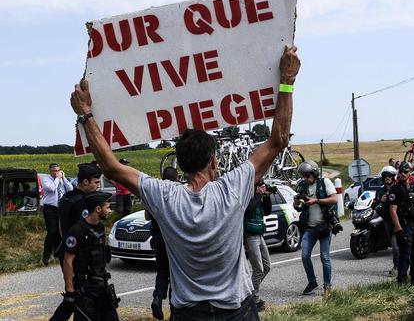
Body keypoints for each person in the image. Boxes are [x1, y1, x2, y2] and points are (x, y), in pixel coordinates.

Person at [70, 45, 300, 320]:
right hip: (236, 310)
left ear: (179, 164)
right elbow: (279, 139)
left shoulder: (164, 197)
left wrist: (85, 113)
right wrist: (286, 82)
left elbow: (110, 166)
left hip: (189, 313)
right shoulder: (233, 188)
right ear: (214, 162)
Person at [50, 163, 103, 321]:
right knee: (76, 296)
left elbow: (61, 224)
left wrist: (66, 242)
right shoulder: (82, 202)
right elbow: (83, 229)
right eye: (96, 182)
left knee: (74, 295)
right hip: (77, 257)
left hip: (68, 250)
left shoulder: (67, 197)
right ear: (85, 182)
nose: (98, 186)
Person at [61, 191, 119, 321]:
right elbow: (67, 260)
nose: (110, 211)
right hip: (85, 289)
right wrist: (70, 290)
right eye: (107, 207)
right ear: (98, 209)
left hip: (102, 286)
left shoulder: (100, 227)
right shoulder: (77, 230)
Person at [295, 159, 338, 296]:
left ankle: (327, 286)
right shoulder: (302, 186)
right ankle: (312, 282)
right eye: (303, 176)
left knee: (324, 257)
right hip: (309, 227)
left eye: (307, 176)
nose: (305, 178)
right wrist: (297, 203)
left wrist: (316, 201)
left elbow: (334, 199)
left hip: (324, 225)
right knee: (305, 256)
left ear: (314, 173)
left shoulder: (324, 182)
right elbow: (296, 205)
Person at [147, 166, 177, 320]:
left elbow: (146, 216)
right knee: (175, 274)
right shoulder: (177, 193)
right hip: (172, 239)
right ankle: (173, 310)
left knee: (162, 271)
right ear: (176, 178)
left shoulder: (154, 193)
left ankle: (158, 298)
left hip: (157, 237)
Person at [389, 161, 414, 285]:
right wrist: (398, 229)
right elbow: (393, 211)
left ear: (410, 173)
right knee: (405, 255)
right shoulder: (395, 189)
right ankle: (402, 282)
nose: (403, 174)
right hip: (404, 224)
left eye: (405, 172)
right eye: (401, 172)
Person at [244, 180, 273, 310]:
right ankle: (254, 299)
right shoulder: (248, 196)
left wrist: (267, 197)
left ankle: (249, 292)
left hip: (260, 235)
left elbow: (267, 212)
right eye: (260, 186)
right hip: (250, 236)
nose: (262, 188)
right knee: (258, 269)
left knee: (267, 267)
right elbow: (249, 209)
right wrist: (259, 195)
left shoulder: (260, 197)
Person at [42, 163, 74, 266]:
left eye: (58, 170)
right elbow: (52, 189)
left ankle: (57, 253)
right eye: (55, 171)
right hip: (50, 208)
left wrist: (63, 178)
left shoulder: (61, 179)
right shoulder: (46, 180)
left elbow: (70, 189)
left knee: (59, 232)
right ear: (50, 171)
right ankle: (46, 255)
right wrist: (57, 179)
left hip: (61, 208)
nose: (57, 172)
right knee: (51, 231)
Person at [374, 165, 399, 276]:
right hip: (388, 220)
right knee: (394, 244)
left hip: (401, 219)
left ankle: (403, 265)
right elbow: (374, 205)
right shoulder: (380, 192)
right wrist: (381, 200)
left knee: (405, 244)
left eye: (389, 176)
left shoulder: (398, 188)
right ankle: (397, 266)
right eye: (385, 176)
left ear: (393, 177)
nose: (387, 178)